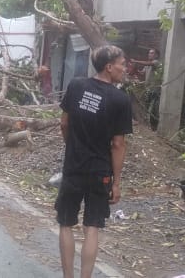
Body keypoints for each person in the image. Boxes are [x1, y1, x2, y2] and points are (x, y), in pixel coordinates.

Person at [56, 45, 133, 278]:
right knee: (92, 227)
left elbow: (64, 124)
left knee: (66, 223)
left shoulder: (76, 86)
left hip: (73, 167)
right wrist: (116, 182)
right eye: (122, 63)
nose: (125, 68)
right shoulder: (120, 100)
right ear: (109, 67)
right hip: (101, 172)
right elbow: (118, 144)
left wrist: (73, 148)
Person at [130, 48, 162, 129]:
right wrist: (135, 69)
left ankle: (154, 126)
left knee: (154, 109)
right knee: (145, 106)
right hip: (148, 89)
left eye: (152, 53)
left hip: (155, 90)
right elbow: (141, 73)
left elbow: (149, 64)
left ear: (156, 55)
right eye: (149, 53)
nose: (149, 54)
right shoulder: (147, 65)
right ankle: (146, 124)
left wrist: (135, 61)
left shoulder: (156, 62)